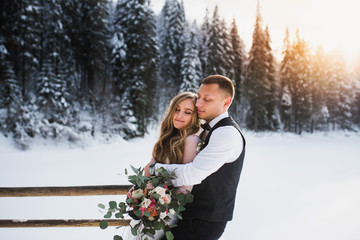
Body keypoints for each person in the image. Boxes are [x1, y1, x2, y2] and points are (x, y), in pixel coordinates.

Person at [145, 74, 246, 240]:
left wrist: (154, 169)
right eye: (199, 97)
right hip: (188, 215)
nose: (199, 103)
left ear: (226, 102)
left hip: (204, 220)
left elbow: (193, 173)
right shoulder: (206, 129)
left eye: (207, 99)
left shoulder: (227, 133)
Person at [124, 91, 202, 239]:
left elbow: (186, 186)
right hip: (149, 207)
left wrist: (159, 206)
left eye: (187, 112)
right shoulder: (167, 138)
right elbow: (149, 168)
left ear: (195, 117)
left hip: (165, 211)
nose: (179, 115)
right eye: (177, 110)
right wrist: (137, 193)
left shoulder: (191, 141)